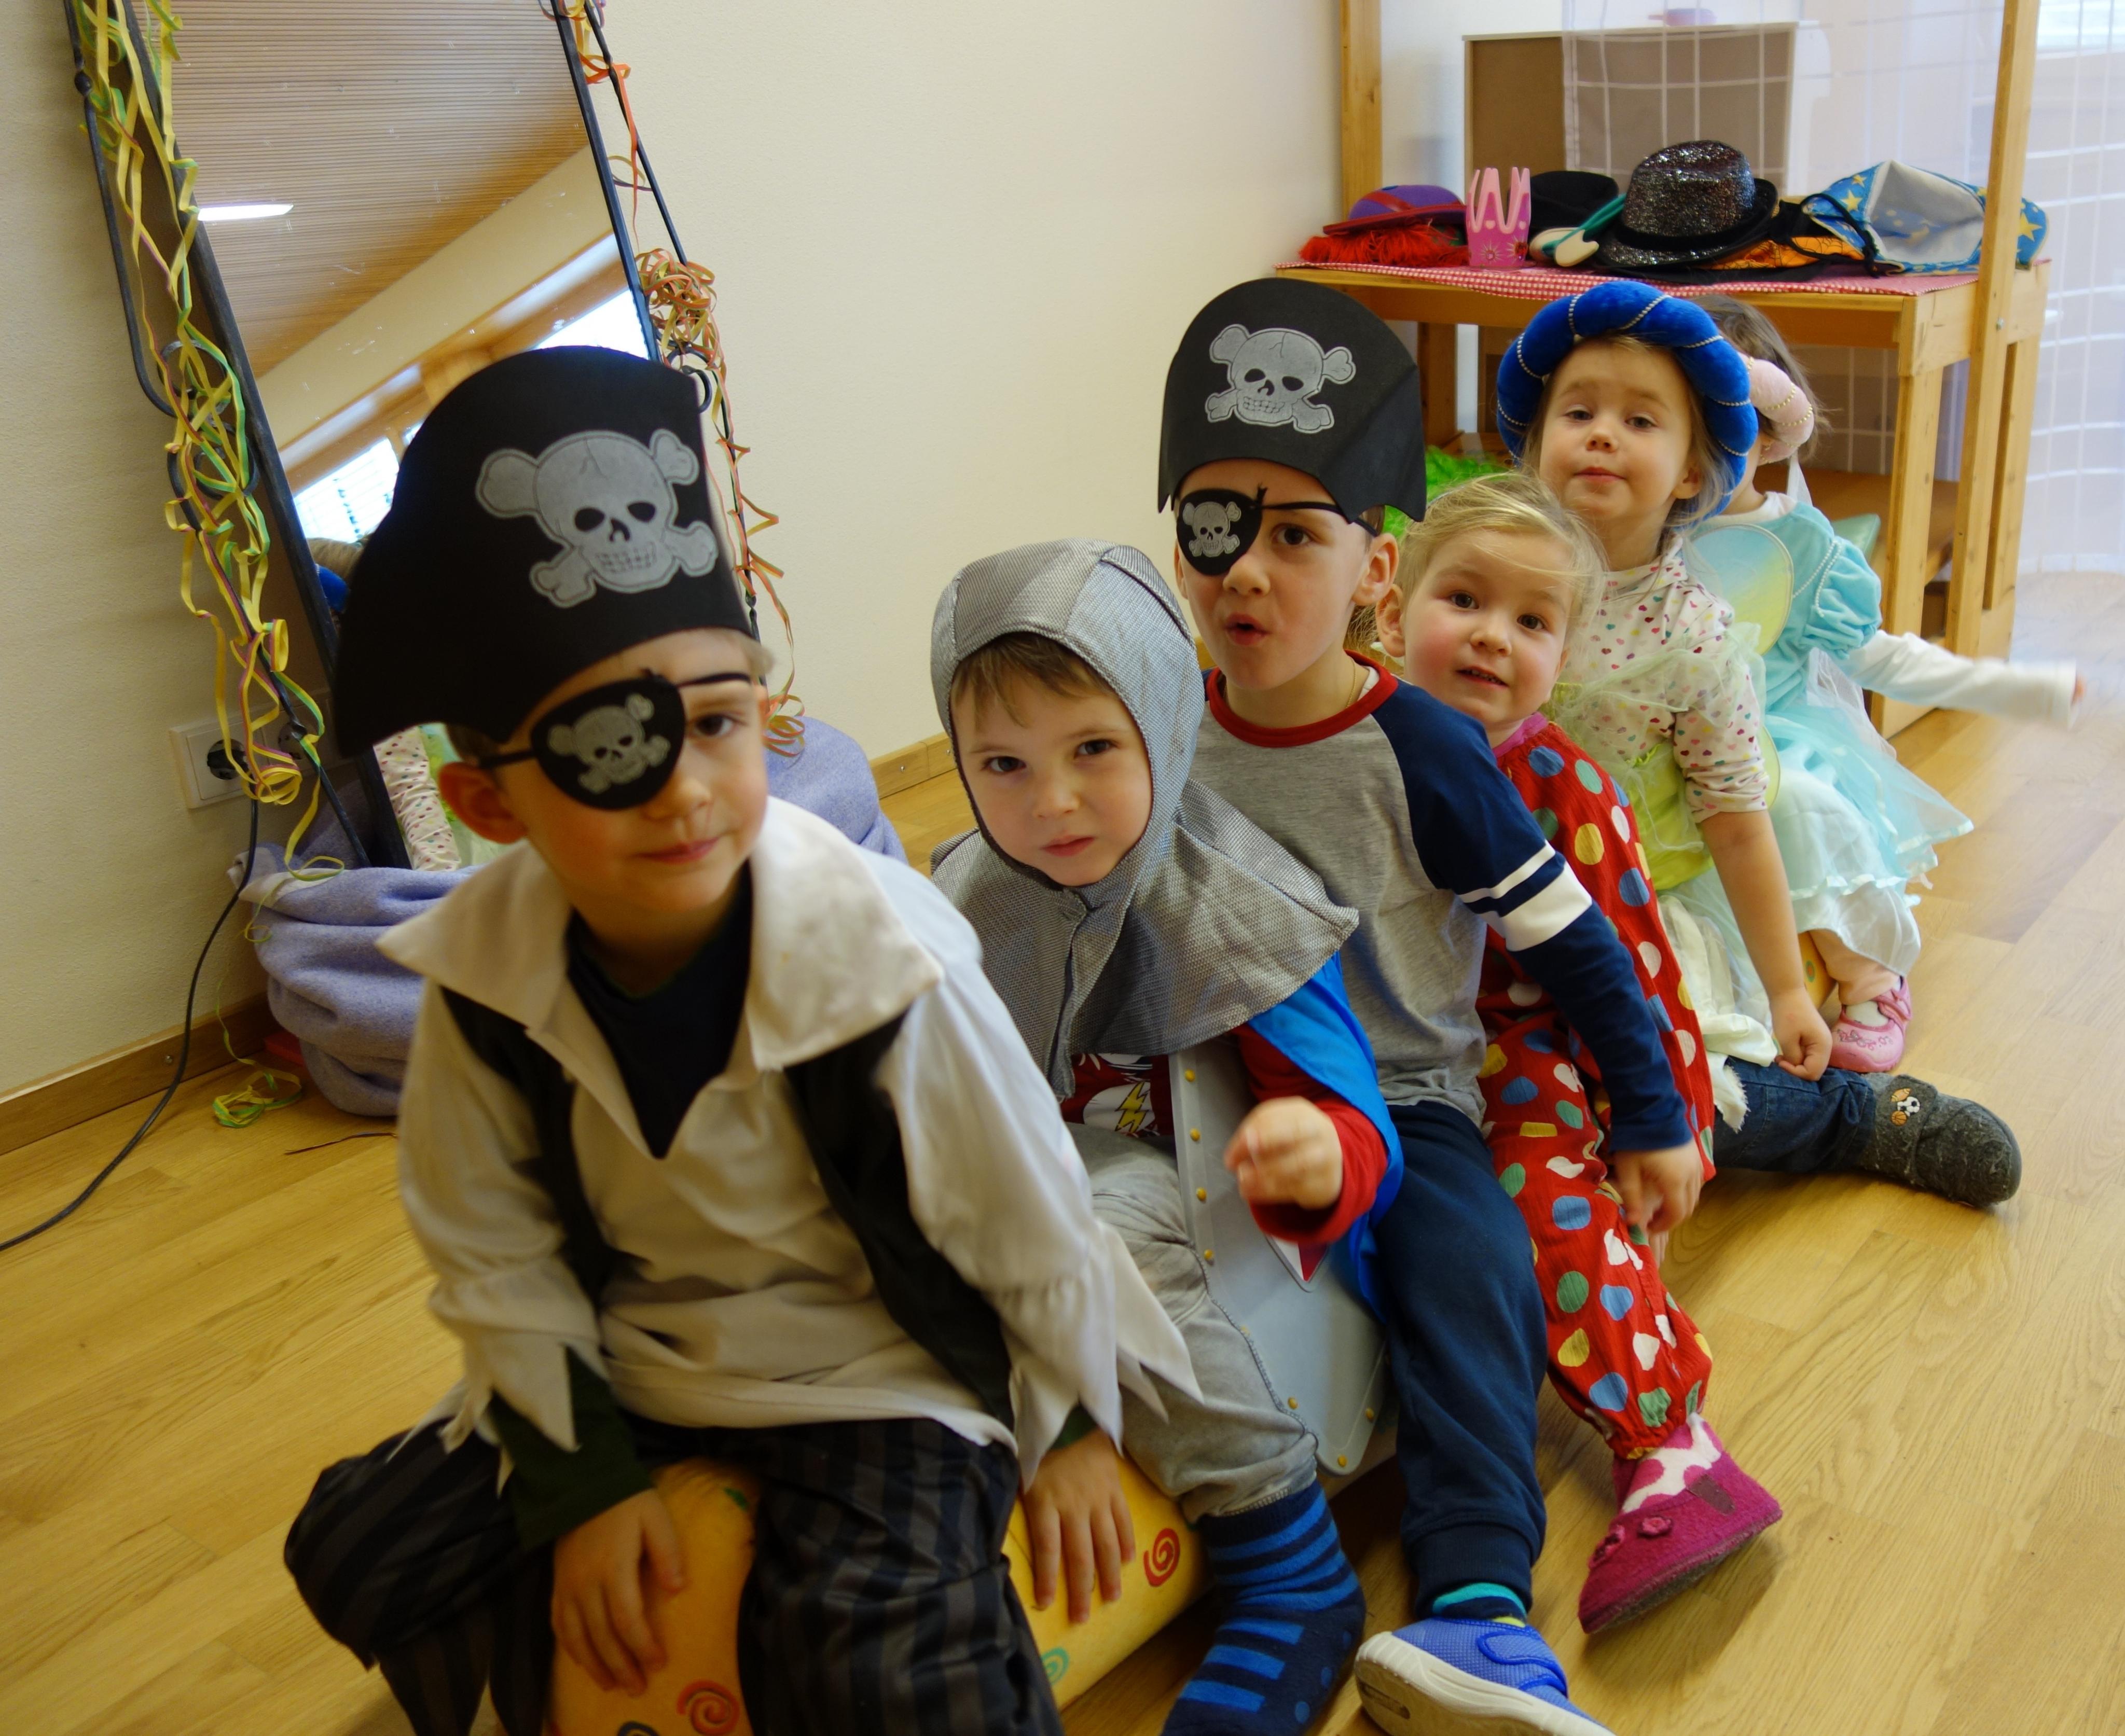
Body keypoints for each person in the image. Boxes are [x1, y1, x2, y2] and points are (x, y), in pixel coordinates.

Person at [280, 347, 1193, 1736]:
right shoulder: (483, 983)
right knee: (356, 1545)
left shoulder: (879, 954)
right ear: (490, 804)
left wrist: (1065, 1425)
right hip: (639, 1355)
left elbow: (1028, 1216)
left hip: (876, 1363)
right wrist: (581, 1483)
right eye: (606, 750)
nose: (686, 791)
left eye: (716, 723)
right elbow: (494, 1250)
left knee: (880, 1668)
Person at [1169, 277, 1699, 1736]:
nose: (1247, 573)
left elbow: (1577, 946)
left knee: (1473, 1275)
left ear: (1376, 571)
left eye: (1296, 536)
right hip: (1203, 1090)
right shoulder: (1160, 728)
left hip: (1405, 1097)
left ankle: (1477, 1606)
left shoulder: (1419, 748)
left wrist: (1650, 1112)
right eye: (1213, 529)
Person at [931, 538, 1401, 1734]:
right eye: (1003, 764)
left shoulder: (1232, 904)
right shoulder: (965, 898)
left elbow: (1362, 1127)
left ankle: (1283, 1555)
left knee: (1088, 1223)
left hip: (1197, 1229)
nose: (1051, 802)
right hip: (1005, 1214)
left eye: (1094, 749)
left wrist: (1316, 1154)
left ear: (1164, 725)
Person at [1495, 281, 2021, 1206]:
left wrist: (1784, 991)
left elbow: (1737, 820)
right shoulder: (1489, 573)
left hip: (1632, 907)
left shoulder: (1696, 635)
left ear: (1692, 473)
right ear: (1535, 444)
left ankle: (1856, 1120)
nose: (1603, 434)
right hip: (1485, 897)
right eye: (1578, 413)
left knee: (1680, 1096)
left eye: (1640, 420)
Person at [1372, 468, 1779, 1634]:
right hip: (1376, 1049)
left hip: (1523, 1057)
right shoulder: (1348, 741)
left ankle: (1672, 1448)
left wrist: (1662, 1124)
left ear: (1565, 652)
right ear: (1392, 609)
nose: (1492, 638)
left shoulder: (1562, 784)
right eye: (1464, 600)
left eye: (1532, 621)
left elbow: (1635, 970)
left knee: (1544, 1200)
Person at [1691, 292, 2080, 1070]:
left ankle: (1870, 975)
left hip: (1774, 738)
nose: (1699, 455)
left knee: (1799, 806)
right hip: (1664, 733)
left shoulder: (1800, 545)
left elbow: (1881, 658)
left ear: (1770, 435)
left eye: (1727, 428)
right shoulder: (1639, 531)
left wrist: (2015, 689)